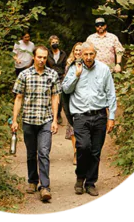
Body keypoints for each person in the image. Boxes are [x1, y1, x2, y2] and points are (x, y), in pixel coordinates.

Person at [62, 41, 117, 196]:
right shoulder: (74, 69)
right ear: (81, 54)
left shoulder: (104, 69)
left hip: (100, 115)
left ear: (95, 54)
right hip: (80, 115)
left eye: (91, 54)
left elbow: (111, 94)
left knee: (95, 152)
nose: (88, 57)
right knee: (83, 147)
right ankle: (80, 177)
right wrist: (77, 76)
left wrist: (111, 117)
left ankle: (90, 183)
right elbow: (65, 89)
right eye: (85, 54)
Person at [11, 45, 61, 202]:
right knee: (31, 153)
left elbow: (55, 98)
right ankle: (32, 181)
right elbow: (18, 97)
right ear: (34, 57)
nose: (42, 60)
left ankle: (45, 186)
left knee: (44, 152)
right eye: (39, 57)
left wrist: (54, 120)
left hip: (45, 120)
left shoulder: (52, 74)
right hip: (28, 120)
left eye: (45, 57)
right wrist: (14, 120)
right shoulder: (24, 75)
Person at [62, 42, 84, 165]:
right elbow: (66, 83)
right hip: (72, 99)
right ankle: (76, 152)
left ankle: (82, 152)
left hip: (83, 100)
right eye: (76, 50)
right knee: (73, 128)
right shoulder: (69, 65)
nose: (77, 52)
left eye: (80, 50)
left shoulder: (87, 64)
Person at [46, 35, 67, 125]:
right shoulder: (47, 53)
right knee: (49, 96)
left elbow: (65, 65)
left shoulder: (63, 54)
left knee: (60, 98)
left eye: (56, 42)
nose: (55, 44)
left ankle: (58, 115)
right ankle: (49, 114)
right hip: (49, 77)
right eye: (53, 42)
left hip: (60, 76)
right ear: (50, 44)